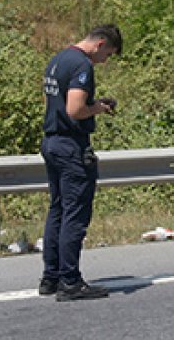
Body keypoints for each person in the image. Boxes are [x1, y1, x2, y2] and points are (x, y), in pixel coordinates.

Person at [38, 24, 122, 301]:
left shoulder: (58, 59)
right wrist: (97, 108)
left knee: (58, 210)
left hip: (51, 141)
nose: (105, 60)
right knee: (75, 214)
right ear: (99, 44)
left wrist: (91, 103)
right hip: (71, 146)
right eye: (107, 54)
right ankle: (70, 282)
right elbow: (75, 109)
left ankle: (51, 277)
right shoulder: (82, 65)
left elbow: (56, 103)